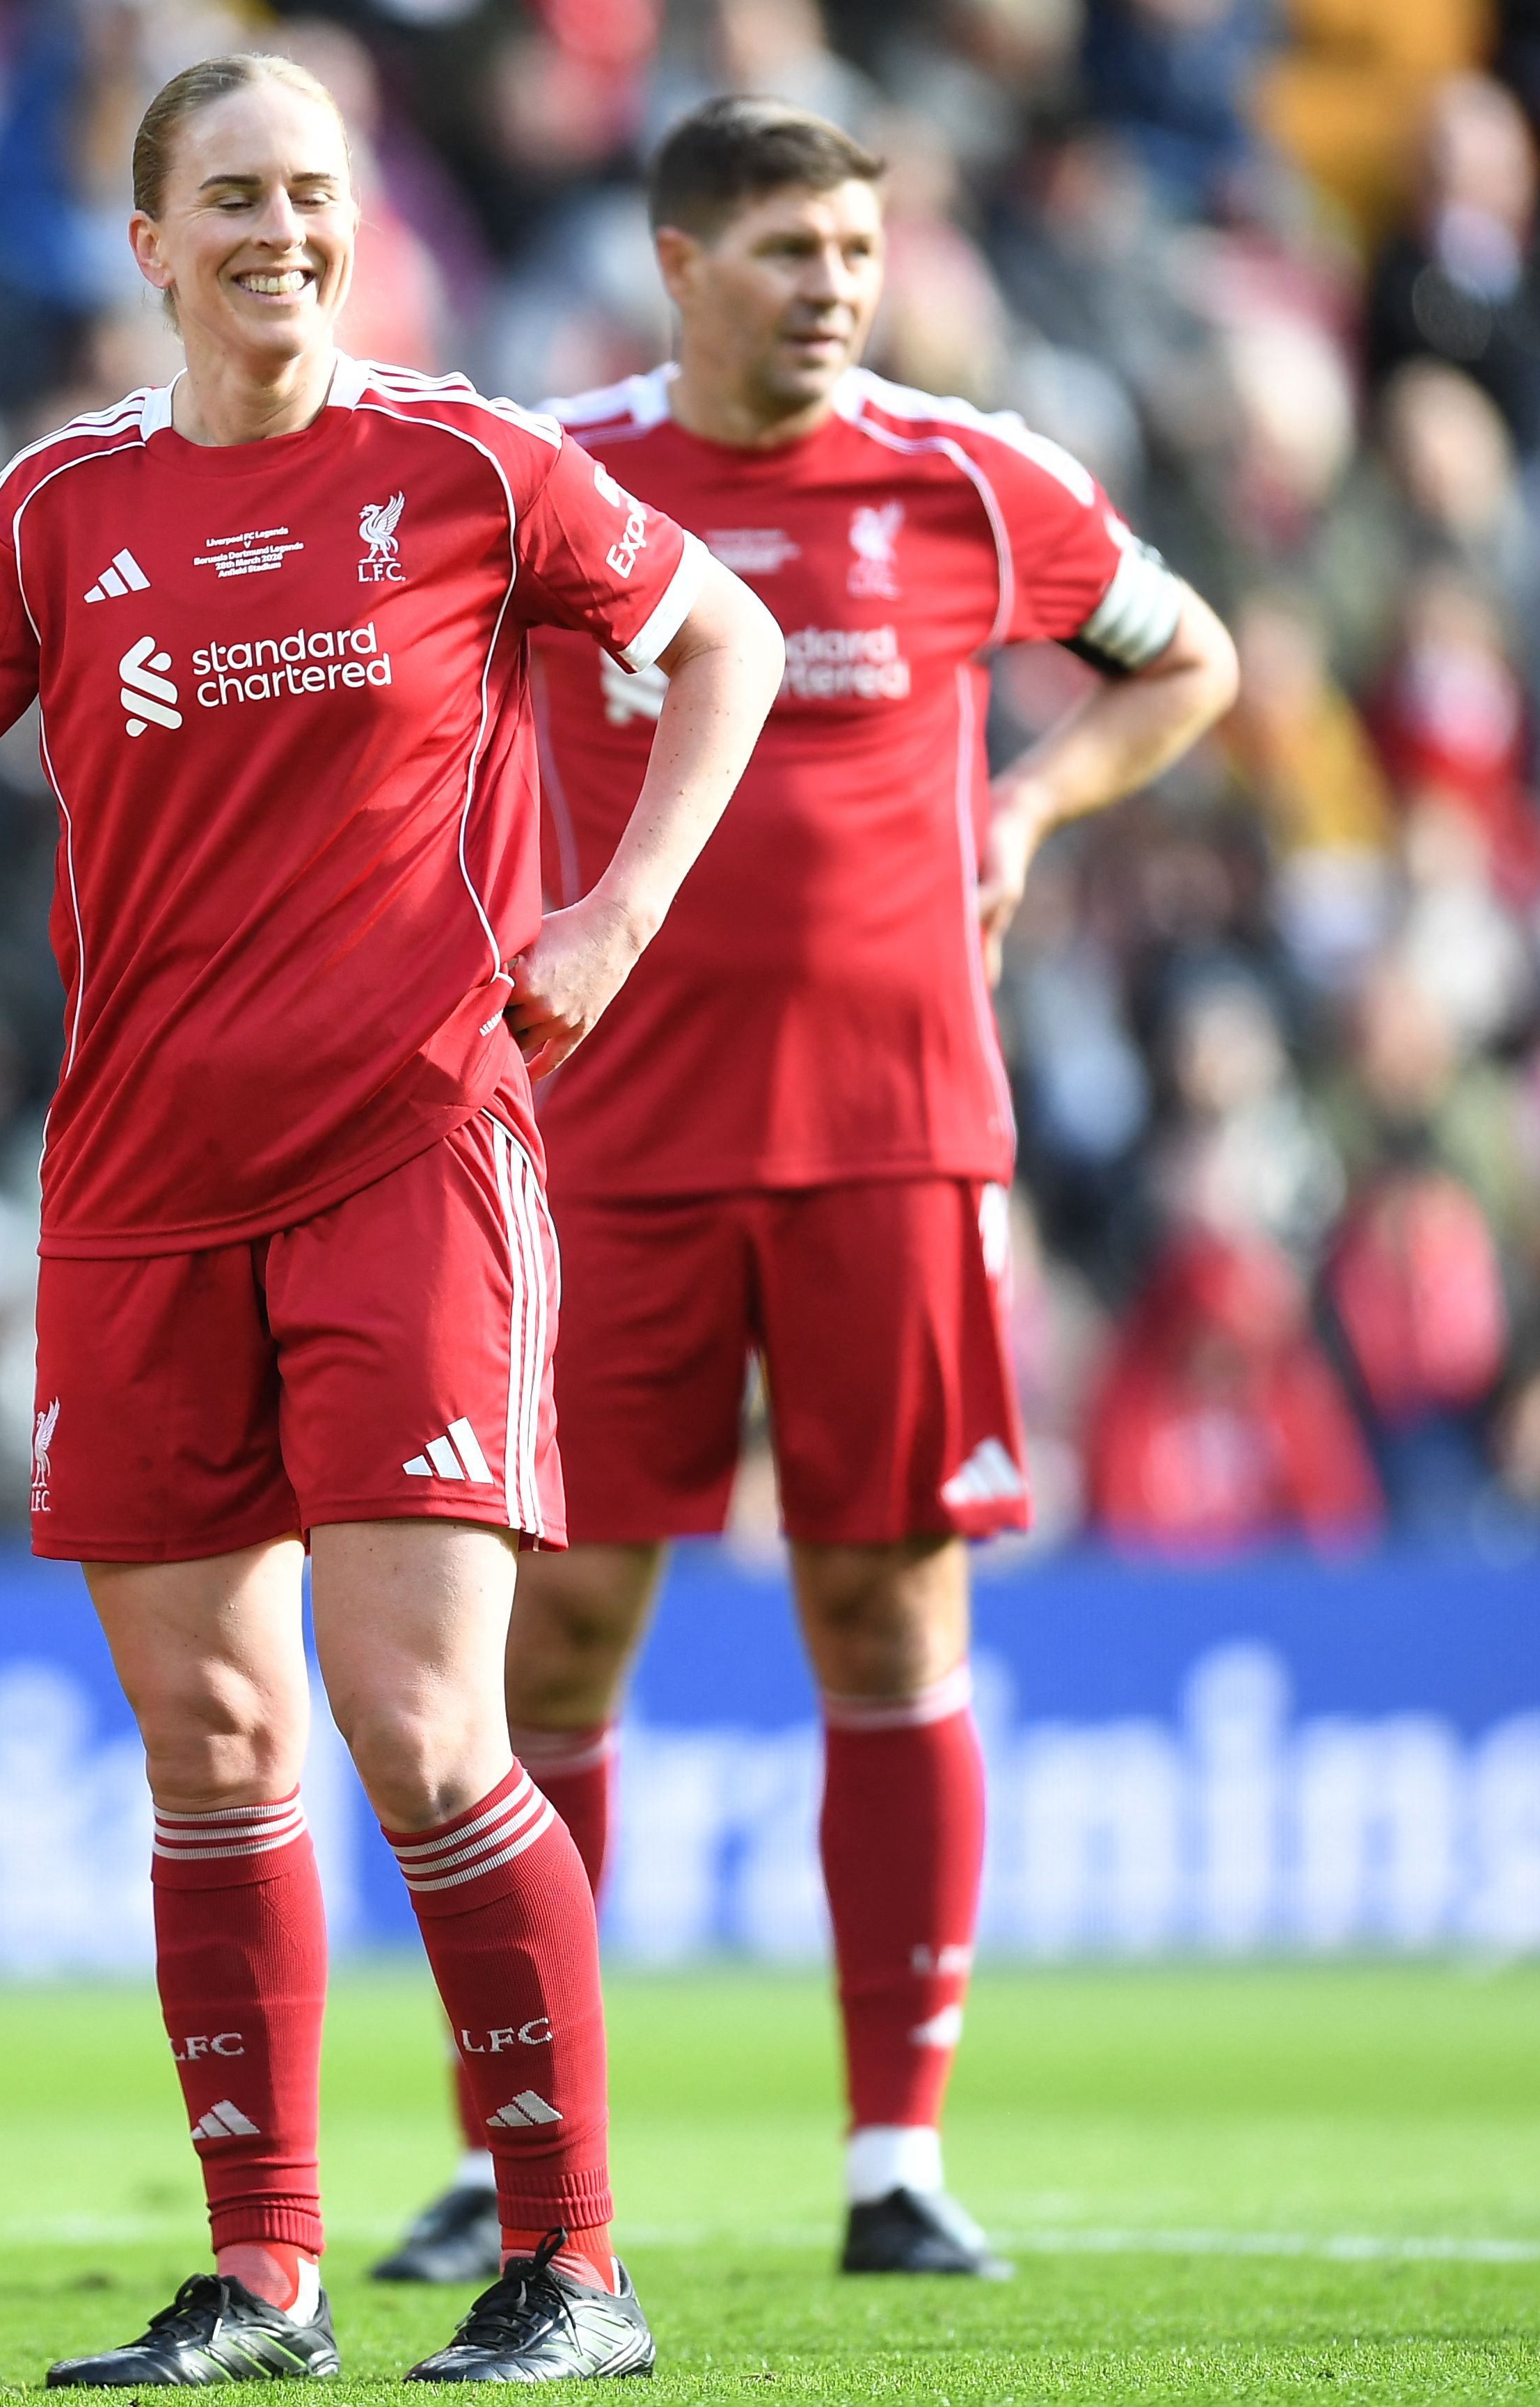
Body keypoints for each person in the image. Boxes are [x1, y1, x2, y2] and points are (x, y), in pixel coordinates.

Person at [0, 52, 779, 2385]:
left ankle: (570, 2257)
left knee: (416, 1722)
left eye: (311, 191)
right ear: (147, 240)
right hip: (130, 1191)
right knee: (209, 1737)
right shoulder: (53, 507)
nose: (278, 228)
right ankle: (263, 2276)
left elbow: (730, 639)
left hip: (411, 1150)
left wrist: (606, 913)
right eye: (231, 195)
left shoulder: (470, 461)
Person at [368, 100, 1238, 2288]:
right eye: (781, 246)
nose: (830, 281)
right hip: (606, 1145)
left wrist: (1036, 806)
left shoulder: (961, 475)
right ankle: (517, 2145)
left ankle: (894, 2156)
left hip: (893, 1137)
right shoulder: (558, 471)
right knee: (555, 1634)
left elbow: (1188, 655)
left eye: (853, 242)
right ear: (677, 264)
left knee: (884, 1613)